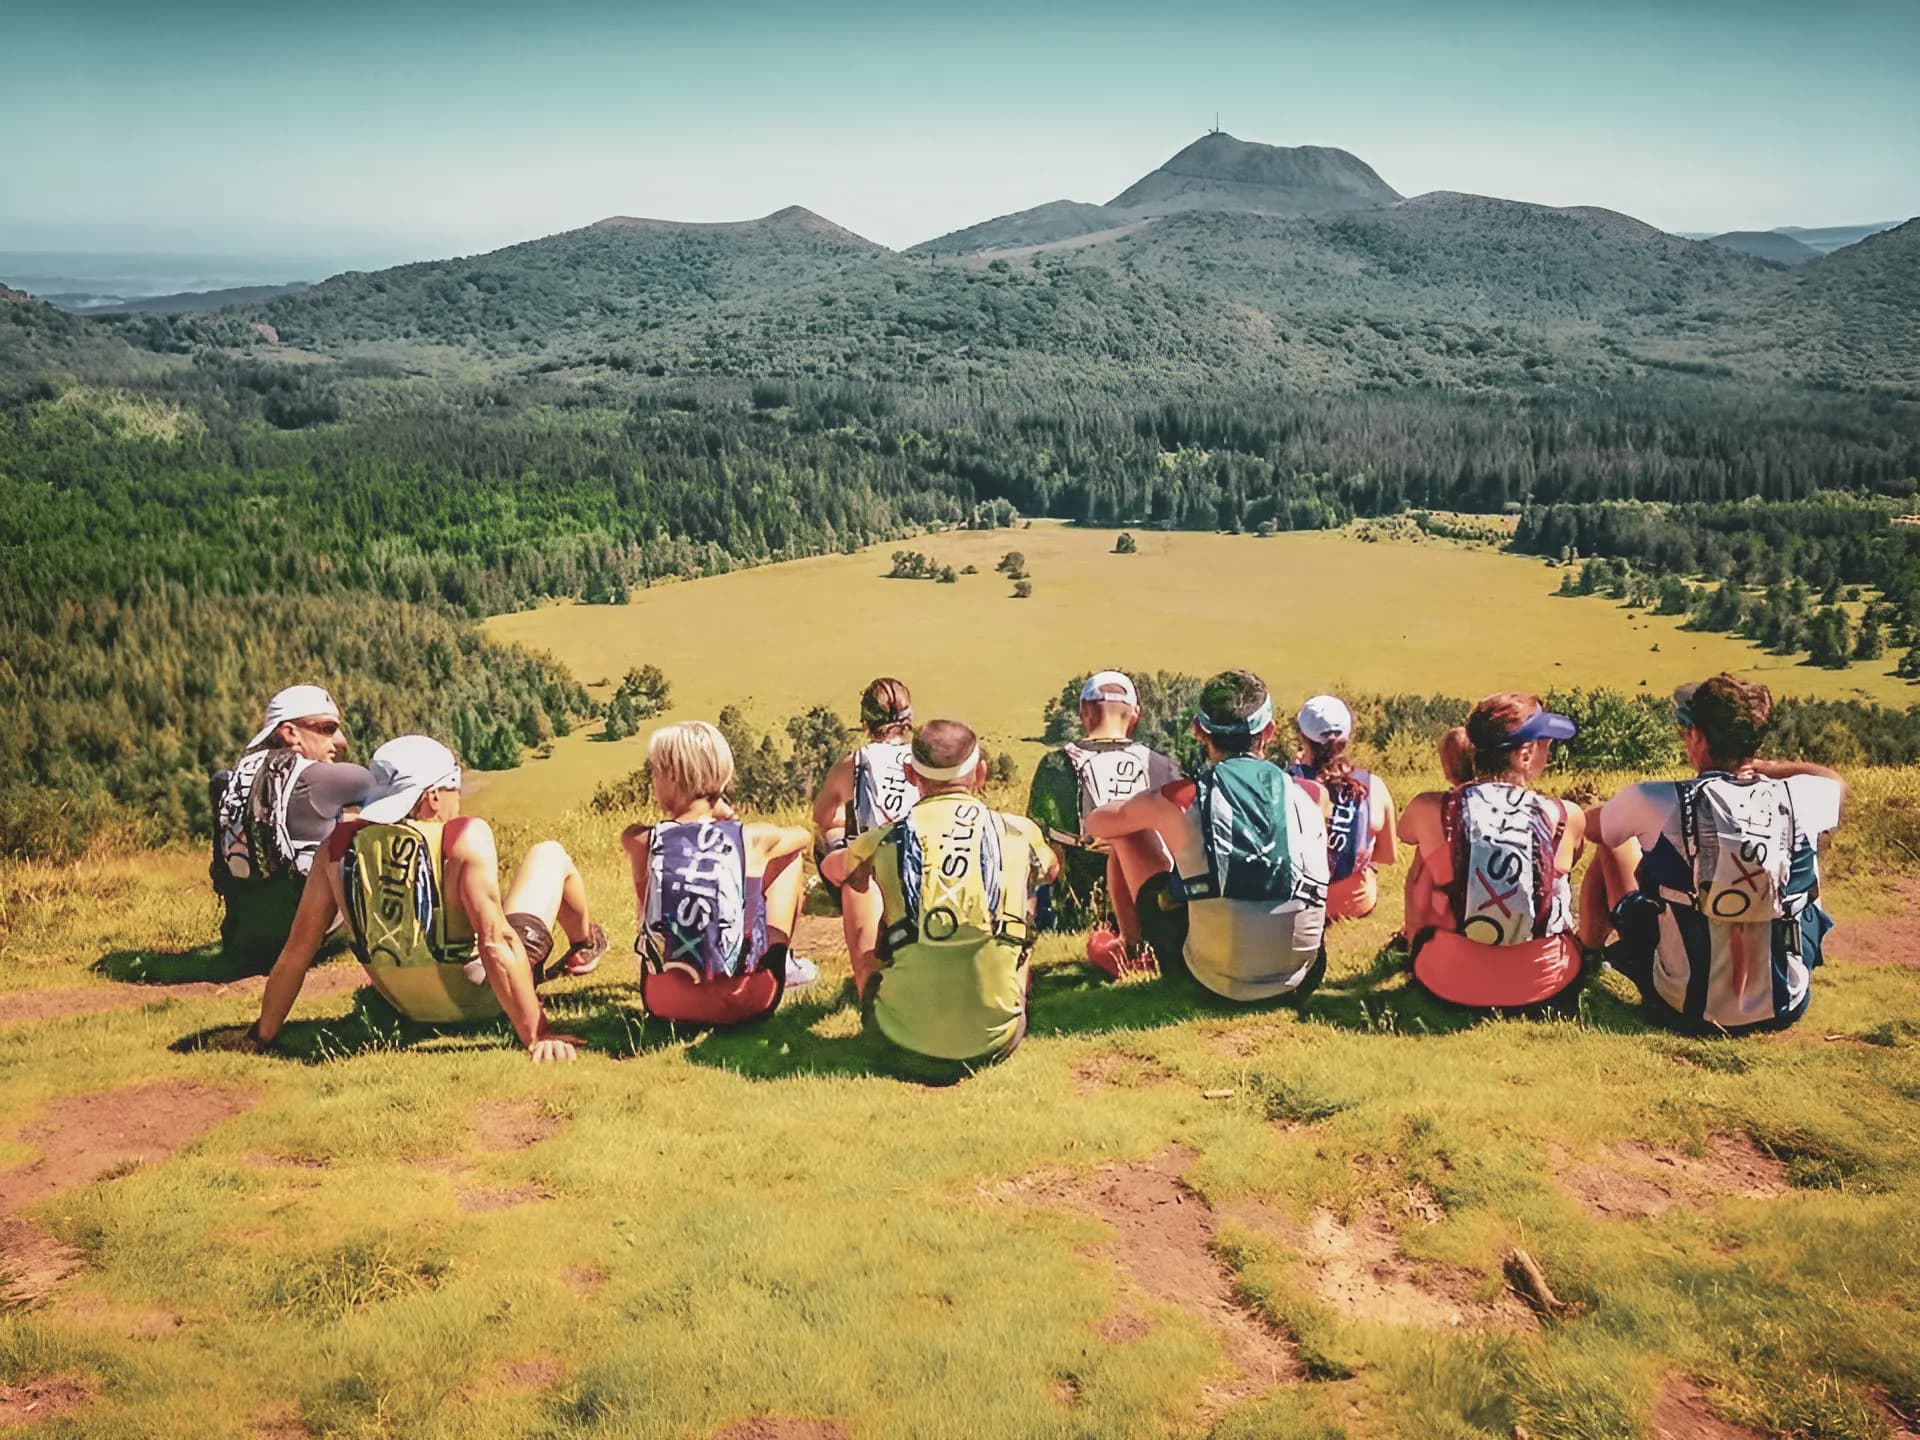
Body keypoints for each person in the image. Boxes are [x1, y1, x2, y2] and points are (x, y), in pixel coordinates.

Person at [243, 736, 606, 1062]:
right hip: (479, 999)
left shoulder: (336, 847)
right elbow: (497, 942)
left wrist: (263, 1033)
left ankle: (584, 945)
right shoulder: (463, 837)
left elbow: (297, 951)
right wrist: (536, 1034)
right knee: (550, 855)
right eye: (454, 788)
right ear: (432, 795)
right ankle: (584, 944)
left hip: (405, 1007)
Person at [1579, 676, 1845, 1033]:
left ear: (1698, 737)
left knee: (1612, 842)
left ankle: (1586, 959)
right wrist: (1766, 769)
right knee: (1805, 878)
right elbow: (1834, 781)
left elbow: (1592, 826)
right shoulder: (1805, 796)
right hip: (1785, 1005)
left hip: (1683, 1005)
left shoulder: (1653, 800)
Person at [1085, 670, 1332, 1004]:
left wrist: (1139, 813)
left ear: (1199, 731)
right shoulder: (1312, 795)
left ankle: (1130, 950)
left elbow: (1097, 824)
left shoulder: (1180, 798)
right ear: (1269, 732)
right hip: (1303, 977)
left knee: (1128, 836)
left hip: (1210, 983)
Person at [841, 719, 1058, 1078]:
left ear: (911, 774)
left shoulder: (880, 840)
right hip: (997, 1041)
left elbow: (845, 874)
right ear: (981, 772)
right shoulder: (1020, 831)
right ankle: (1005, 998)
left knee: (856, 882)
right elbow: (1050, 870)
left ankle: (870, 986)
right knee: (1024, 889)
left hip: (897, 1042)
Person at [1395, 693, 1587, 1012]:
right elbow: (1571, 861)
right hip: (1546, 982)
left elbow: (1404, 834)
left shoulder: (1429, 808)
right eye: (1546, 745)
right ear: (1524, 754)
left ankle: (1413, 942)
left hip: (1447, 980)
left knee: (1430, 856)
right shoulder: (1565, 816)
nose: (1548, 754)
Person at [622, 721, 812, 1025]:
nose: (652, 779)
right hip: (750, 1000)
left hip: (663, 1003)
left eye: (654, 771)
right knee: (791, 856)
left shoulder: (640, 840)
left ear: (671, 774)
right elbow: (803, 834)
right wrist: (728, 817)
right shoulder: (754, 838)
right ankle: (781, 962)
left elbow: (644, 908)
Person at [1026, 670, 1184, 976]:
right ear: (1135, 716)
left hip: (1075, 913)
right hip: (1153, 904)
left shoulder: (1055, 766)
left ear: (1084, 712)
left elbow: (1047, 854)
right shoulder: (1163, 766)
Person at [209, 685, 372, 967]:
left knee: (349, 827)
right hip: (312, 940)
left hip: (244, 940)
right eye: (328, 727)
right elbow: (397, 792)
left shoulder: (231, 779)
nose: (341, 740)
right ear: (289, 733)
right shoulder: (320, 778)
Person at [812, 678, 917, 983]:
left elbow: (822, 816)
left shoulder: (854, 763)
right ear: (909, 719)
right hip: (921, 859)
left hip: (869, 865)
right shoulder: (926, 759)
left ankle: (849, 911)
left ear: (865, 721)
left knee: (830, 837)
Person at [1287, 695, 1397, 922]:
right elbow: (1387, 855)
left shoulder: (1284, 786)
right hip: (1355, 902)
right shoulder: (1373, 786)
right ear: (1347, 738)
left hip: (1298, 902)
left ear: (1302, 737)